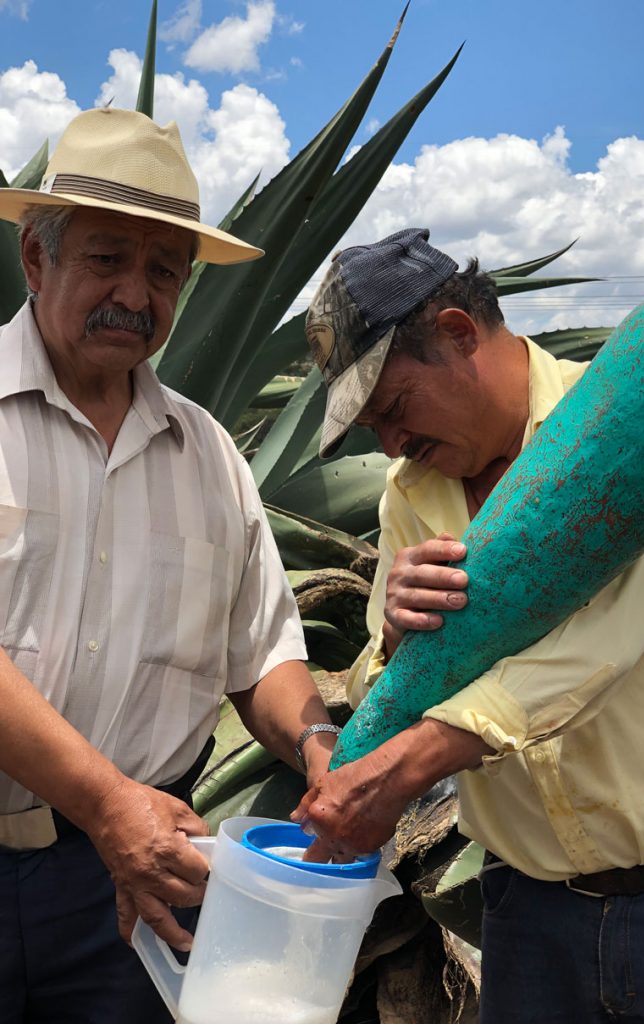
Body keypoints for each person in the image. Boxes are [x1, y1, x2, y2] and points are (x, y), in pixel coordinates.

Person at [295, 227, 644, 1022]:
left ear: (456, 332)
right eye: (372, 430)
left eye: (394, 407)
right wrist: (398, 640)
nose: (392, 444)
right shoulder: (411, 494)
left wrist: (401, 767)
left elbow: (596, 648)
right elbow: (386, 681)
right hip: (528, 918)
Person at [0, 107, 340, 1024]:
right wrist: (110, 805)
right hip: (124, 836)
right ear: (37, 259)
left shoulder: (210, 455)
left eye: (164, 271)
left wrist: (319, 750)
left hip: (131, 888)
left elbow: (262, 652)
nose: (136, 295)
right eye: (107, 259)